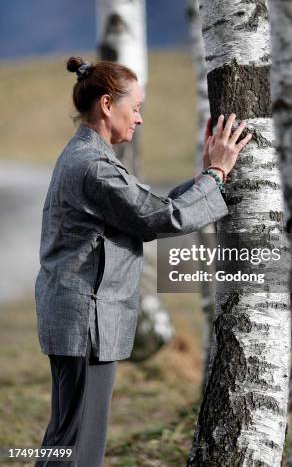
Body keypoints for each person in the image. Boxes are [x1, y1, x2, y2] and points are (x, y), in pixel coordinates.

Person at [34, 56, 252, 466]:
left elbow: (148, 206)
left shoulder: (89, 156)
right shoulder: (94, 167)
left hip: (81, 318)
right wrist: (218, 175)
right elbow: (162, 217)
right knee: (77, 445)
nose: (139, 119)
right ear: (106, 105)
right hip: (86, 322)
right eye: (135, 108)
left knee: (69, 437)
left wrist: (207, 175)